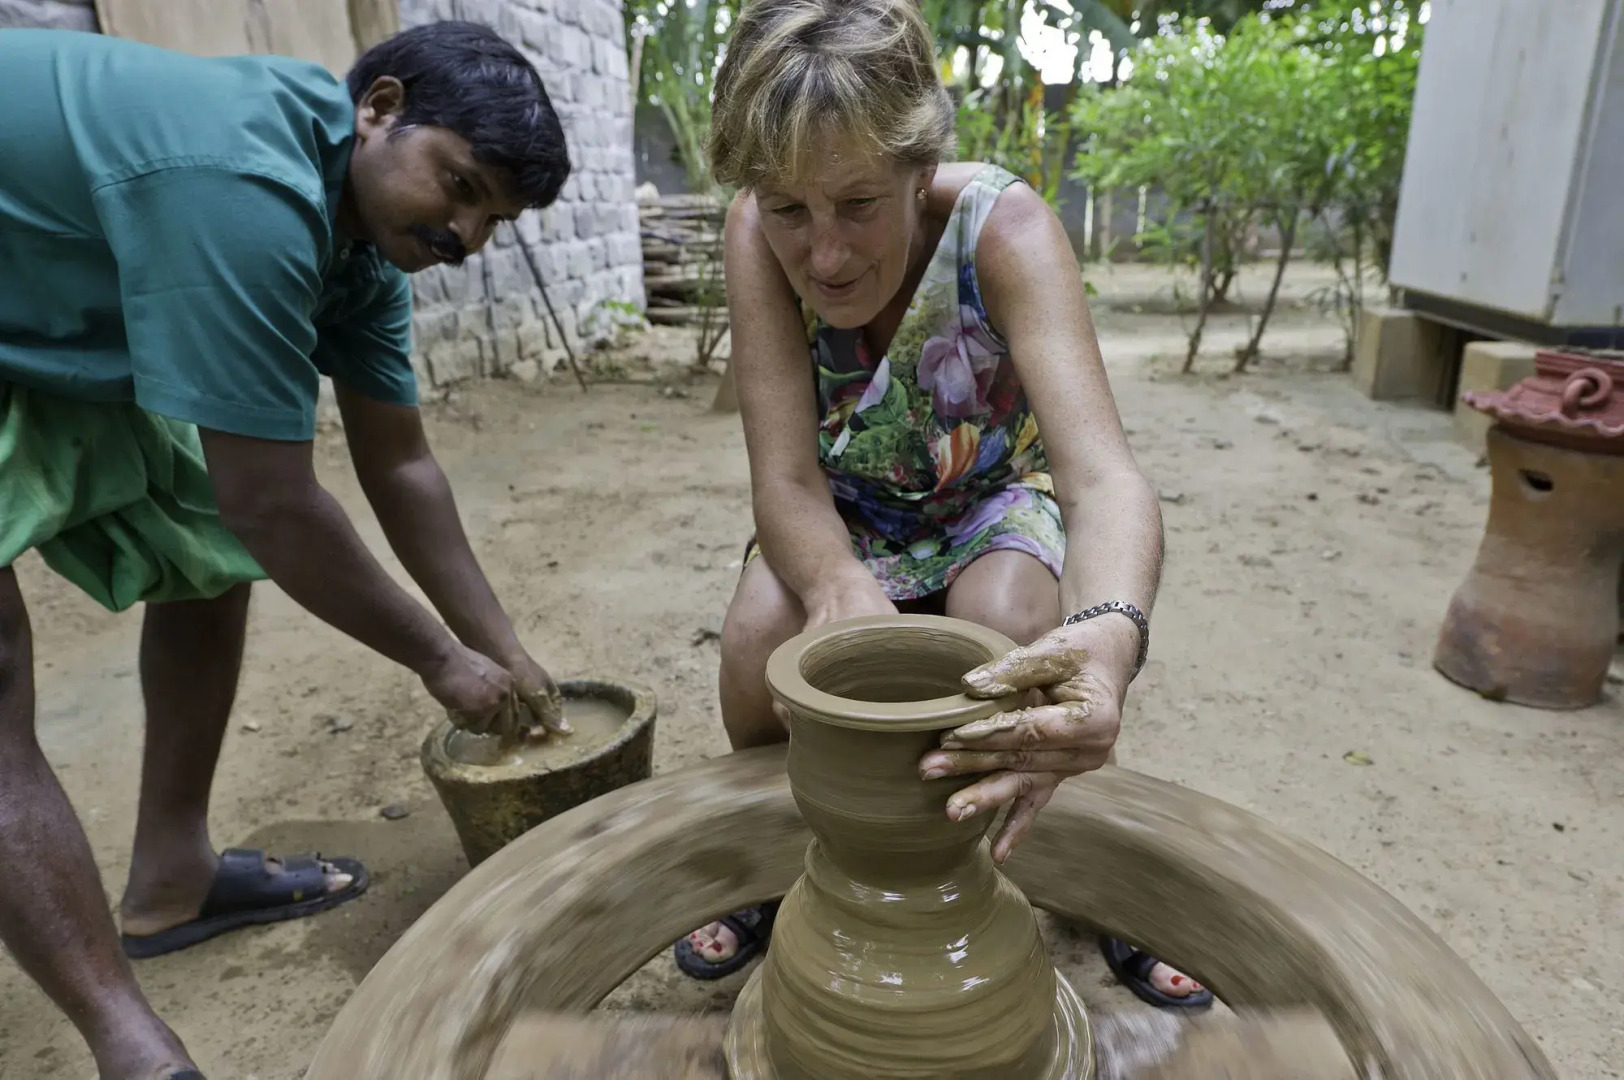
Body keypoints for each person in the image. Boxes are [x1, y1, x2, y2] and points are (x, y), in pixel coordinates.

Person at [0, 21, 571, 1080]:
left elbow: (398, 463)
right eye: (461, 186)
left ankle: (172, 877)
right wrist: (442, 663)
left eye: (493, 218)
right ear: (381, 106)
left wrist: (504, 646)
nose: (466, 236)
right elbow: (272, 499)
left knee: (205, 555)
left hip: (32, 296)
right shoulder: (243, 187)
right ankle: (131, 1046)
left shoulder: (359, 242)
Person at [670, 0, 1211, 1013]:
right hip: (848, 509)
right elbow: (784, 478)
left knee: (1011, 640)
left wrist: (1109, 638)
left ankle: (1069, 876)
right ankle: (774, 868)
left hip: (990, 494)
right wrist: (835, 586)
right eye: (790, 208)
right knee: (756, 649)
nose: (823, 254)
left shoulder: (1002, 228)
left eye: (857, 204)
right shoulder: (754, 233)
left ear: (920, 169)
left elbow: (1103, 479)